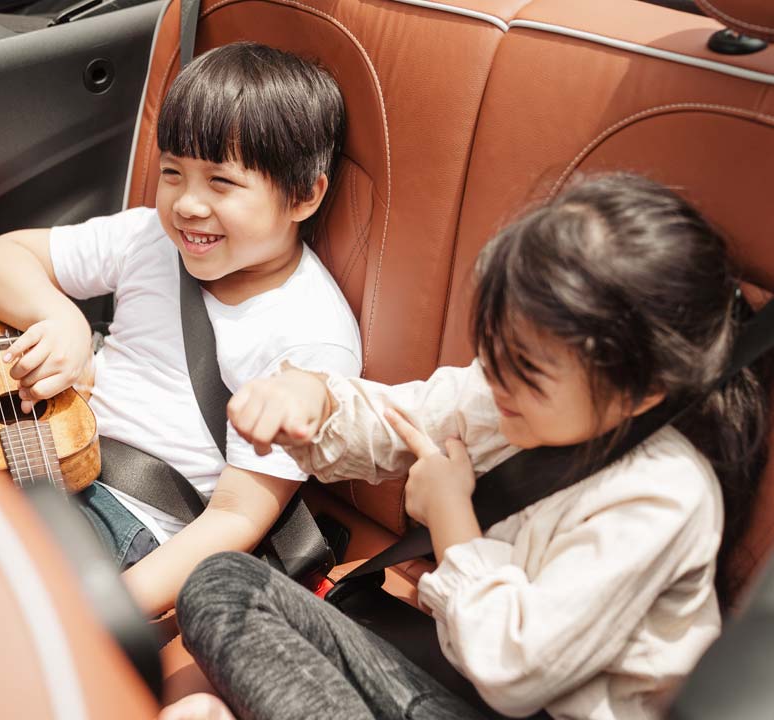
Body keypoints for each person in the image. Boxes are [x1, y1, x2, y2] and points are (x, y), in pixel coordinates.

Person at [162, 174, 771, 720]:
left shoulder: (662, 496)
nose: (493, 375)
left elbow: (515, 670)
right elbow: (397, 418)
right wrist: (313, 401)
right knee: (221, 584)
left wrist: (450, 515)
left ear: (643, 390)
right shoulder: (500, 394)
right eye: (492, 345)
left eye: (527, 367)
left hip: (518, 696)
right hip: (446, 671)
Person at [0, 41, 360, 619]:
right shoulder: (151, 238)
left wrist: (105, 612)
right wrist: (59, 316)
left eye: (221, 183)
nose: (188, 205)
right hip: (50, 434)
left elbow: (235, 518)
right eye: (172, 172)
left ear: (304, 194)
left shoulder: (310, 340)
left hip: (129, 517)